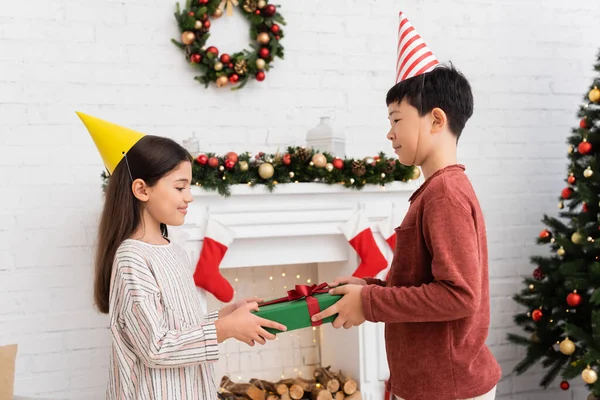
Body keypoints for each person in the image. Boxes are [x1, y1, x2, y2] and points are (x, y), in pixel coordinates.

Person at [311, 12, 501, 400]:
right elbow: (428, 286)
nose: (389, 132)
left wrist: (370, 302)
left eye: (397, 119)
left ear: (435, 121)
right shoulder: (438, 190)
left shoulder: (445, 194)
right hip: (431, 384)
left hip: (447, 389)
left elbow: (459, 295)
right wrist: (369, 287)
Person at [76, 112, 286, 400]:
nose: (189, 197)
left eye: (189, 186)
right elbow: (156, 347)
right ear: (141, 189)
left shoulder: (171, 249)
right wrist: (224, 330)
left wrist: (221, 317)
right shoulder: (132, 258)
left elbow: (177, 329)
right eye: (179, 186)